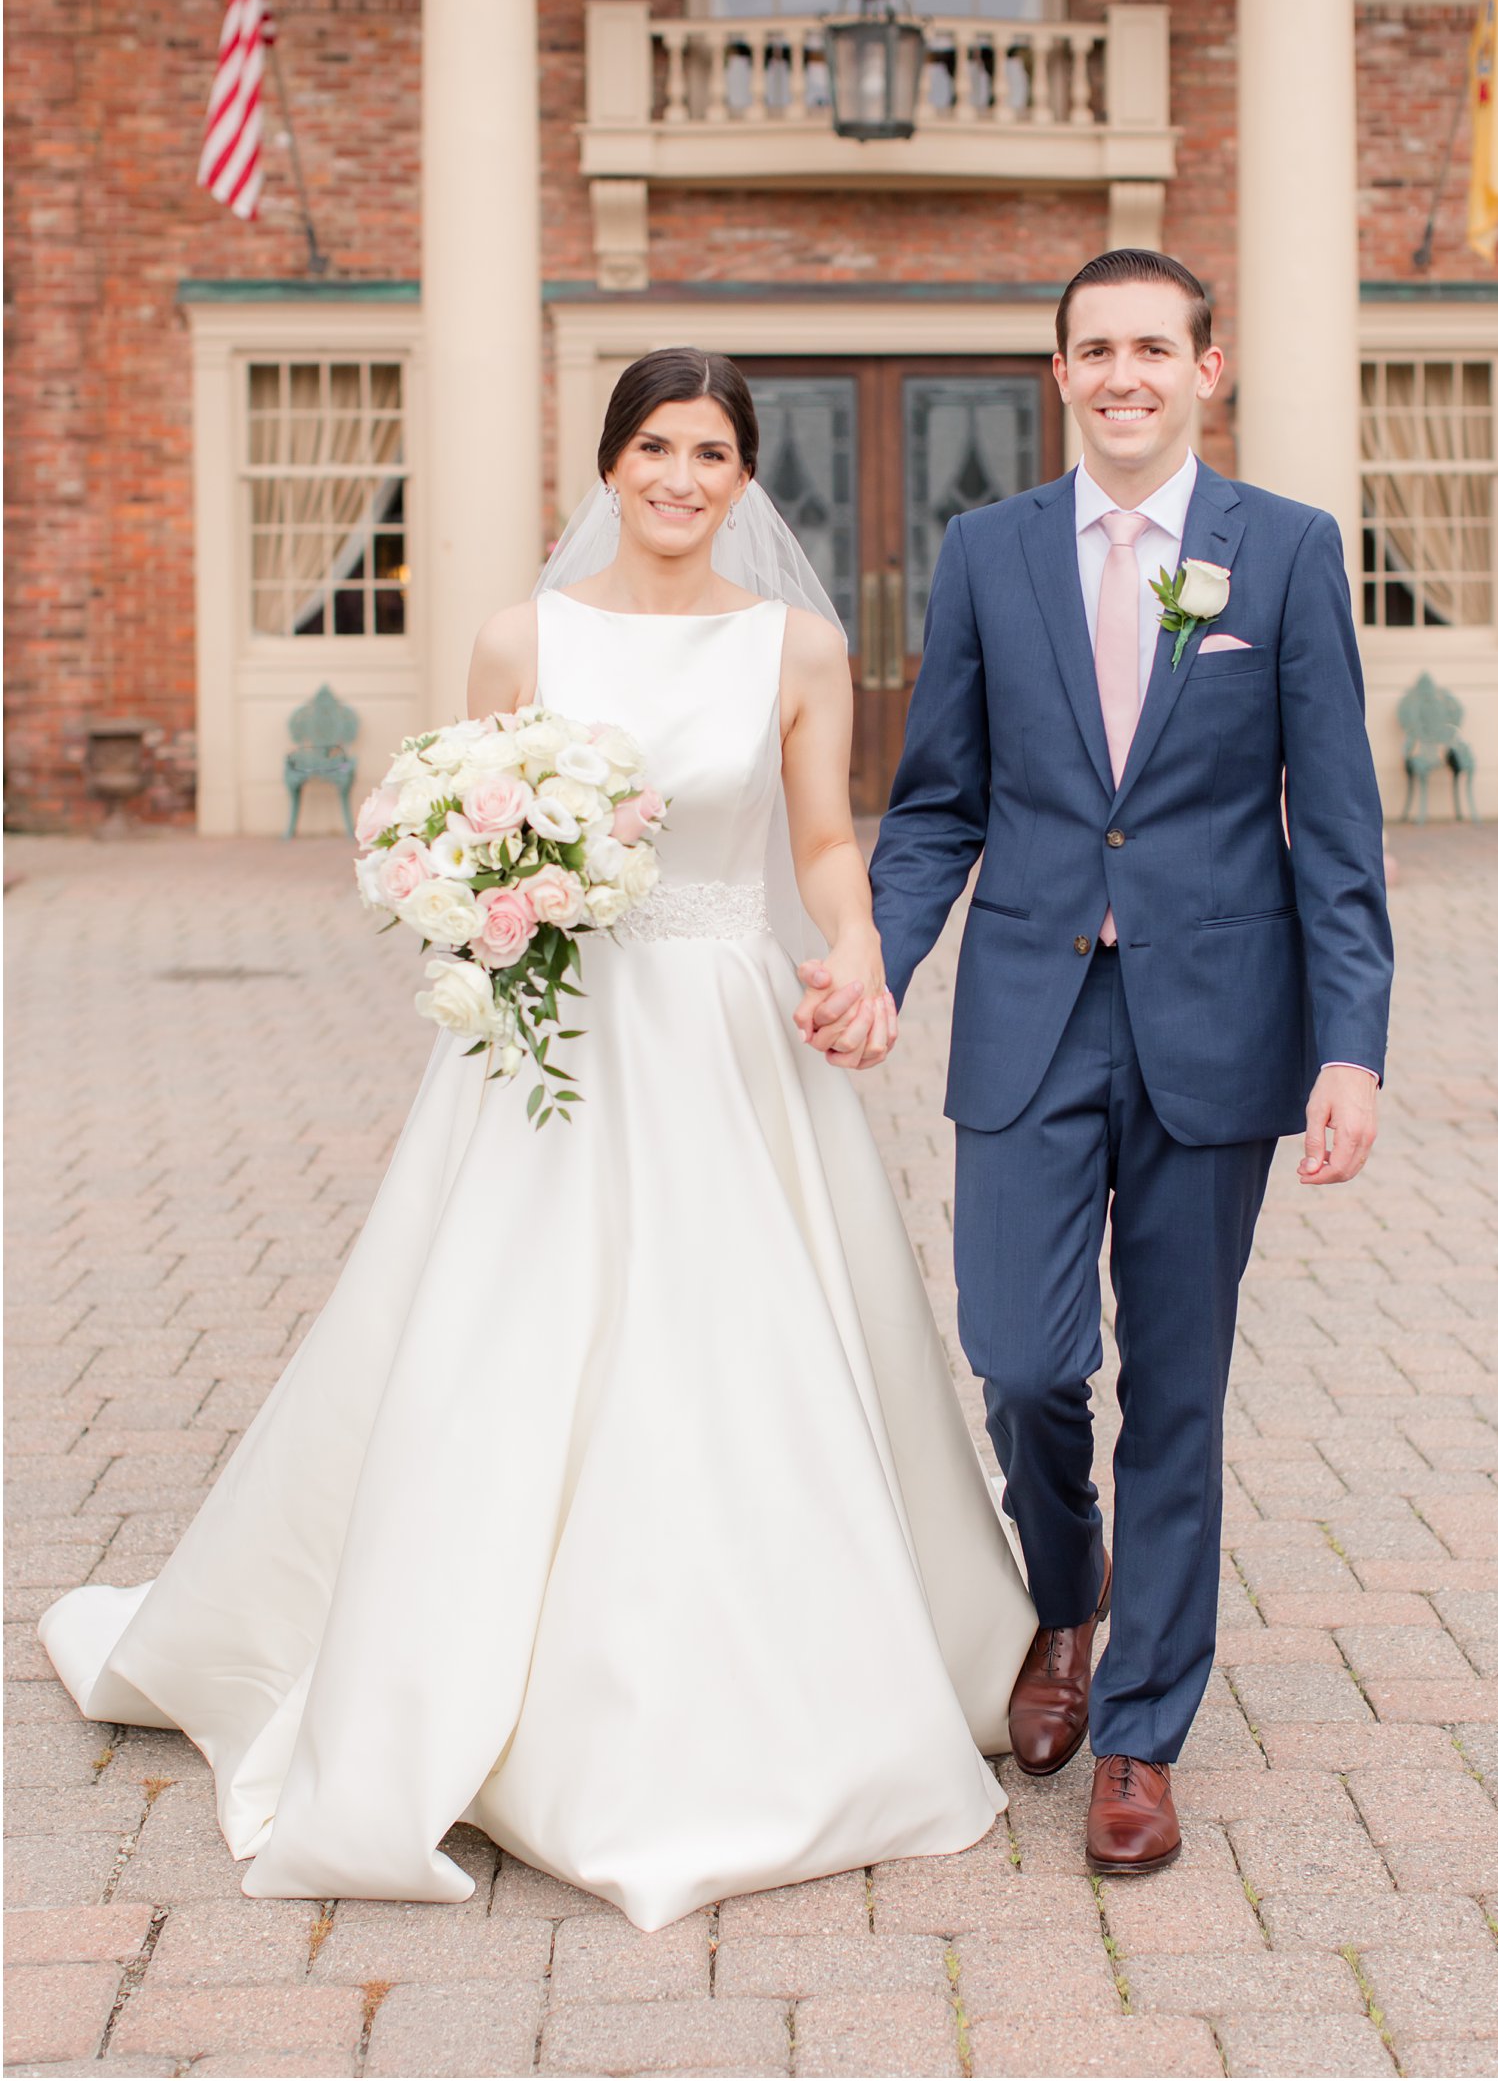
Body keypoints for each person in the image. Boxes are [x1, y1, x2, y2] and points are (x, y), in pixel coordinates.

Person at [39, 348, 1036, 1933]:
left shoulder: (796, 644)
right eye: (655, 444)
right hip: (553, 1038)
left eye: (713, 450)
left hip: (718, 1025)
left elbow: (828, 837)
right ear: (608, 459)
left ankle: (771, 1681)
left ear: (746, 474)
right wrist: (483, 899)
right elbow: (446, 808)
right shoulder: (522, 635)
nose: (682, 476)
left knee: (735, 1346)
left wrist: (852, 948)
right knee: (503, 1343)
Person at [798, 251, 1394, 1876]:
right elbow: (937, 803)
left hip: (1222, 1022)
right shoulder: (987, 551)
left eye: (1155, 346)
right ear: (1056, 372)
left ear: (1210, 367)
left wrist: (1356, 1044)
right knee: (1022, 1353)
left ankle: (1139, 1727)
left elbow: (1335, 823)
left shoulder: (1283, 551)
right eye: (1095, 349)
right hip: (1028, 1012)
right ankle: (1067, 1598)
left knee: (1179, 1392)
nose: (1125, 372)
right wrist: (883, 961)